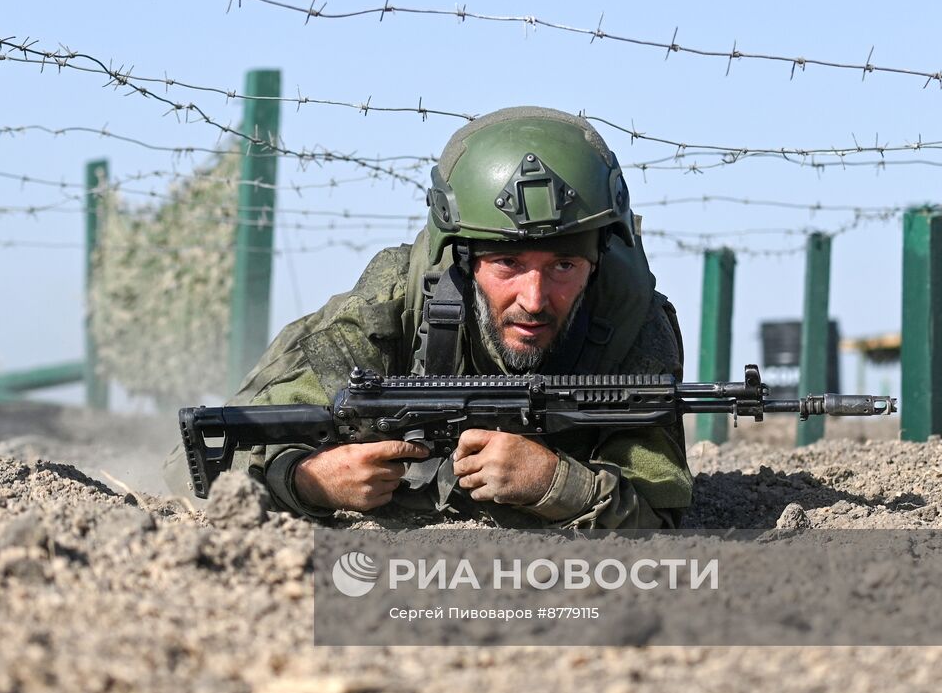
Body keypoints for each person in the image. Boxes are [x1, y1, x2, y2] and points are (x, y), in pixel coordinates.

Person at [166, 106, 691, 528]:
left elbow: (659, 509)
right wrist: (307, 479)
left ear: (597, 262)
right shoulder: (393, 303)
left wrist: (554, 484)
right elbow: (215, 464)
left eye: (563, 266)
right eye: (507, 263)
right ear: (462, 259)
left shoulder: (632, 326)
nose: (534, 298)